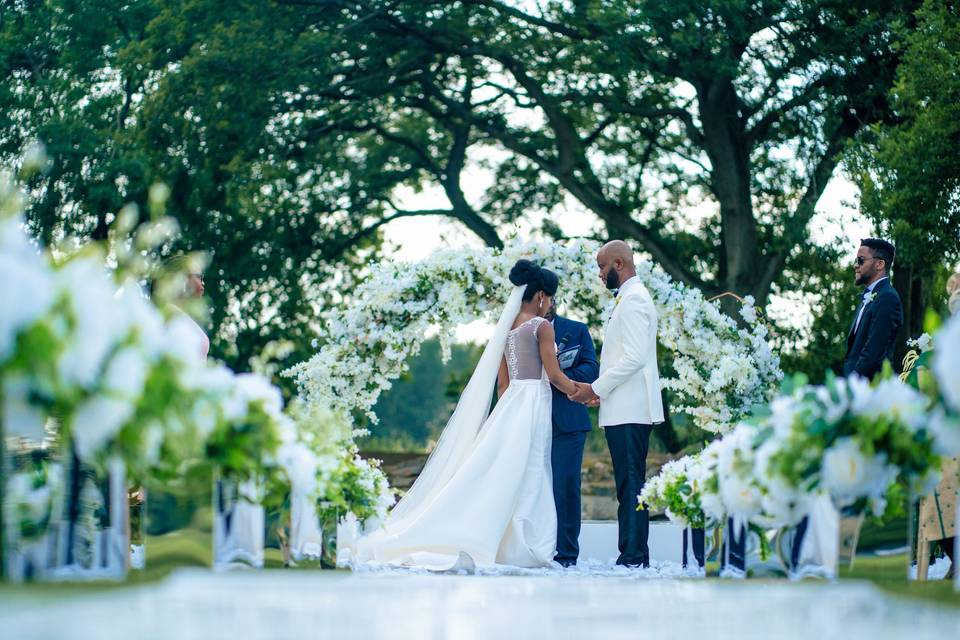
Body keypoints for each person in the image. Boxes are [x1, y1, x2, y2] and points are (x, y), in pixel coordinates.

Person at [344, 259, 579, 570]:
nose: (549, 305)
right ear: (540, 297)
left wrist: (505, 413)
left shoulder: (507, 328)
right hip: (534, 401)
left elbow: (503, 383)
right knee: (532, 469)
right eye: (549, 299)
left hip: (511, 405)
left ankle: (501, 539)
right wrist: (584, 391)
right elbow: (554, 375)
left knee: (507, 468)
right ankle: (522, 545)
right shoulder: (541, 326)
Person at [568, 240, 664, 567]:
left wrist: (595, 387)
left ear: (619, 264)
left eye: (602, 266)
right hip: (621, 405)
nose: (599, 274)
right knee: (627, 482)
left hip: (631, 408)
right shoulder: (625, 298)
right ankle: (632, 552)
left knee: (632, 481)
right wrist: (601, 392)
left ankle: (634, 556)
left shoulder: (635, 300)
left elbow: (635, 358)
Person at [544, 298, 599, 567]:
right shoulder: (518, 331)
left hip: (568, 419)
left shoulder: (576, 330)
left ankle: (566, 553)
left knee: (565, 485)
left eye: (553, 296)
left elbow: (592, 367)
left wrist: (559, 373)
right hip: (529, 418)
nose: (550, 301)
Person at [843, 238, 902, 380]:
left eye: (861, 260)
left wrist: (853, 384)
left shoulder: (887, 298)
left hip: (869, 387)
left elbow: (873, 353)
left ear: (879, 264)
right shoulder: (867, 297)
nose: (856, 266)